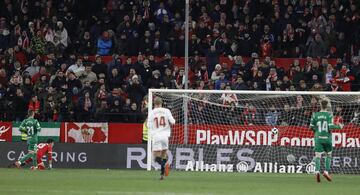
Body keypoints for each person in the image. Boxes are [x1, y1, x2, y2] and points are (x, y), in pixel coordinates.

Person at [310, 97, 343, 182]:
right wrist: (339, 126)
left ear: (320, 105)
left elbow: (311, 127)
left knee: (318, 156)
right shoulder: (329, 114)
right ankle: (326, 172)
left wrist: (316, 132)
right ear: (327, 106)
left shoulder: (315, 115)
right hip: (327, 138)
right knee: (328, 155)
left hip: (318, 138)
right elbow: (330, 126)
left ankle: (317, 171)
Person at [147, 97, 175, 180]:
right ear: (161, 103)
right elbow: (173, 122)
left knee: (156, 158)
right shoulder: (166, 111)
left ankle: (165, 165)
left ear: (154, 104)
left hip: (156, 136)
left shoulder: (152, 112)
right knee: (163, 155)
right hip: (165, 136)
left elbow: (148, 125)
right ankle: (162, 175)